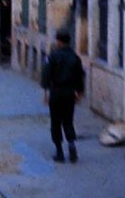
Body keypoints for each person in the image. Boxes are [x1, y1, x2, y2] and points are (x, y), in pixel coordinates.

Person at [41, 29, 85, 163]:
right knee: (68, 120)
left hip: (56, 92)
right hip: (69, 93)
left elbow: (46, 75)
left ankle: (59, 152)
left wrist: (45, 93)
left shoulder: (52, 56)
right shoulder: (75, 58)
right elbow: (80, 76)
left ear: (59, 41)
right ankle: (72, 147)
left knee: (56, 122)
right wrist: (79, 93)